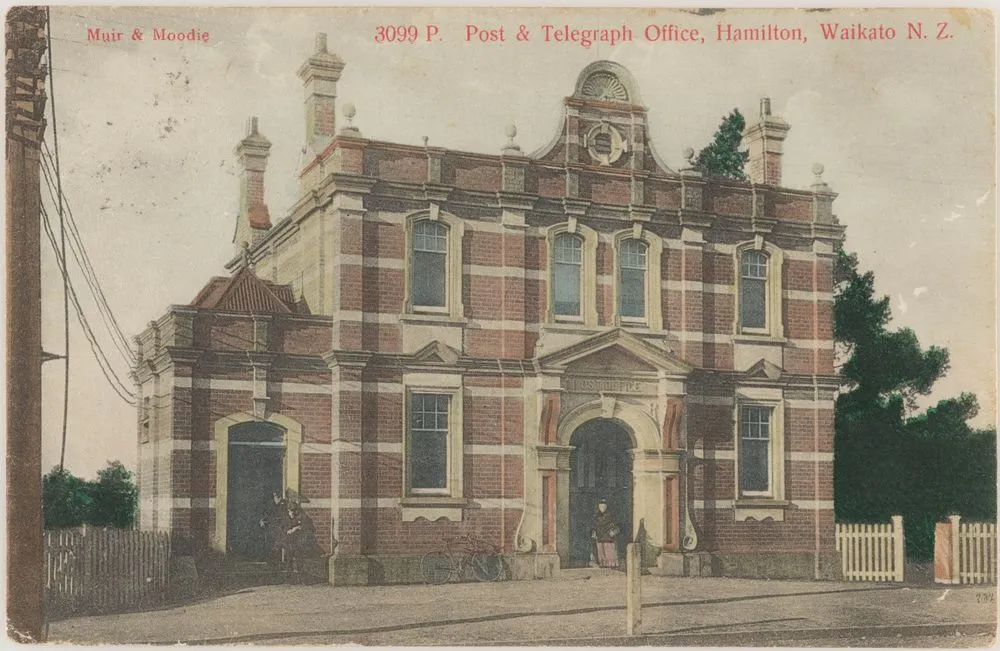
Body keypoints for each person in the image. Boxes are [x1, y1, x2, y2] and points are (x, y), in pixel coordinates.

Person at [281, 501, 317, 574]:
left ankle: (301, 575)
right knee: (289, 559)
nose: (293, 513)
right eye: (291, 511)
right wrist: (293, 529)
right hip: (289, 542)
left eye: (295, 511)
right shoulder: (285, 518)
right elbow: (284, 530)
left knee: (299, 559)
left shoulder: (301, 517)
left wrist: (300, 527)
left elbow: (310, 527)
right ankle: (289, 575)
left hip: (298, 542)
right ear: (288, 510)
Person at [259, 491, 287, 565]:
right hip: (270, 527)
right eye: (276, 497)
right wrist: (262, 520)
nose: (278, 499)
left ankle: (276, 561)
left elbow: (283, 517)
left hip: (278, 527)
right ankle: (270, 561)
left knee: (277, 544)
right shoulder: (270, 506)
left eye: (278, 497)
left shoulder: (283, 506)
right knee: (269, 543)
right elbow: (266, 514)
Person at [590, 500, 620, 569]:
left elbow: (618, 526)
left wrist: (614, 531)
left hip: (609, 538)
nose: (602, 508)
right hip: (599, 537)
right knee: (600, 552)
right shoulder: (595, 517)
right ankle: (601, 564)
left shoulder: (612, 517)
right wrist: (593, 532)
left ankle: (611, 565)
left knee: (609, 552)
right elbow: (593, 526)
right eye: (601, 506)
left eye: (604, 506)